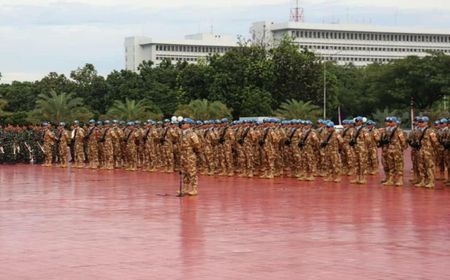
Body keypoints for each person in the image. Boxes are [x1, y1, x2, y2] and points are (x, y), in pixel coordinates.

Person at [179, 118, 201, 196]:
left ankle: (194, 189)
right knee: (185, 172)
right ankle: (186, 188)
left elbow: (197, 144)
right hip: (184, 155)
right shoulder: (182, 133)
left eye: (184, 123)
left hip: (190, 155)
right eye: (182, 123)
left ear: (188, 124)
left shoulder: (192, 134)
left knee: (192, 172)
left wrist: (195, 152)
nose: (182, 124)